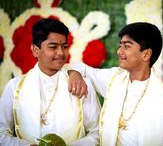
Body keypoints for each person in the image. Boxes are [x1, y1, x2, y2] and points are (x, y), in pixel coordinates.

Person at [69, 22, 163, 146]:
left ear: (146, 54)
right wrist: (75, 75)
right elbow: (80, 67)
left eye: (127, 46)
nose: (119, 51)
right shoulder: (113, 79)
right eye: (120, 45)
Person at [0, 18, 100, 146]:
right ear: (36, 50)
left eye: (64, 46)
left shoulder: (81, 84)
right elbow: (1, 133)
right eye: (53, 47)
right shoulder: (14, 87)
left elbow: (97, 132)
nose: (61, 52)